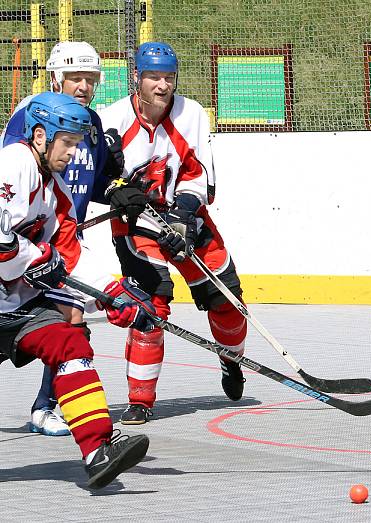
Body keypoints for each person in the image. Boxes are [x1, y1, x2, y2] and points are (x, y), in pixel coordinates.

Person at [0, 91, 157, 488]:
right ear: (39, 135)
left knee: (70, 344)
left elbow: (69, 250)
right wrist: (35, 257)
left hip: (16, 307)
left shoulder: (55, 190)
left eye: (75, 144)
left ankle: (98, 450)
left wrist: (112, 294)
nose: (72, 154)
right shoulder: (13, 164)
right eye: (66, 143)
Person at [99, 42, 247, 424]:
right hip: (136, 226)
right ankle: (140, 400)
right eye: (153, 78)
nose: (162, 86)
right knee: (151, 306)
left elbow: (199, 172)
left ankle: (231, 360)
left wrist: (183, 213)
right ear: (137, 78)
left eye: (168, 78)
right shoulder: (110, 118)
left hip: (187, 217)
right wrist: (118, 191)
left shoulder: (190, 113)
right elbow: (99, 179)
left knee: (227, 299)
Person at [1, 41, 141, 437]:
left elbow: (90, 187)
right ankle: (48, 409)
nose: (83, 86)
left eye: (91, 79)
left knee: (69, 325)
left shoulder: (90, 125)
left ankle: (57, 413)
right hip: (28, 250)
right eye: (75, 78)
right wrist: (32, 254)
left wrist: (117, 187)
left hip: (51, 243)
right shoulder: (28, 125)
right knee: (66, 320)